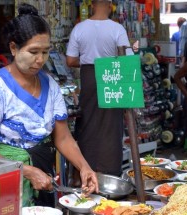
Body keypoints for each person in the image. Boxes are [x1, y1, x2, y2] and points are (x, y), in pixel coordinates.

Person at [0, 3, 98, 207]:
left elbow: (63, 137)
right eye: (33, 52)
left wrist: (84, 167)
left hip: (43, 177)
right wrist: (26, 170)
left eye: (45, 52)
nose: (40, 60)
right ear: (14, 48)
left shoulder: (51, 85)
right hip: (4, 181)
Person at [66, 0, 132, 181]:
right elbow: (127, 59)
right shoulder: (117, 29)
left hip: (89, 78)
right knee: (111, 125)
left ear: (92, 5)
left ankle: (86, 172)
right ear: (110, 5)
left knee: (88, 123)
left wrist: (90, 61)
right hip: (113, 77)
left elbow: (70, 61)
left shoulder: (79, 28)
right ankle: (110, 174)